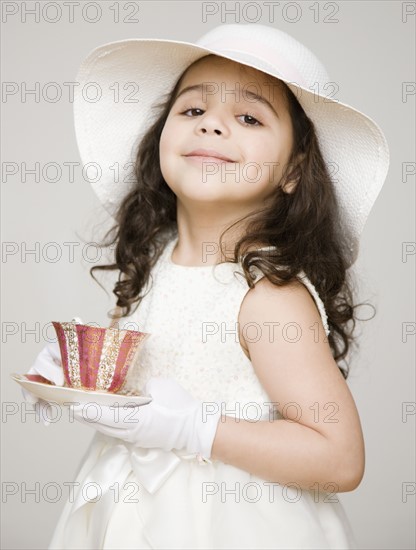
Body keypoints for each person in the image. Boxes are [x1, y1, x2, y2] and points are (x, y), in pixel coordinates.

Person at [24, 23, 389, 549]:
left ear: (294, 170)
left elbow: (340, 457)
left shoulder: (267, 294)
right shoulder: (154, 261)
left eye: (248, 117)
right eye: (193, 110)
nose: (213, 126)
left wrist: (194, 429)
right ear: (161, 139)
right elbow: (148, 391)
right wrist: (80, 376)